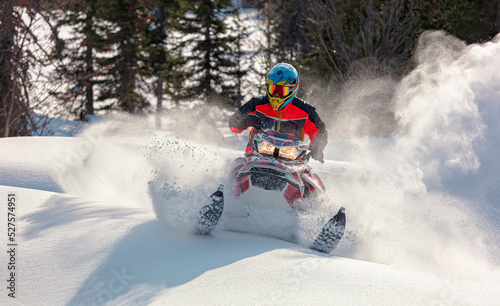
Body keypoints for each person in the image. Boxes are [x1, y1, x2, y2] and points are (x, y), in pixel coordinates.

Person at [229, 63, 328, 163]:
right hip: (255, 157)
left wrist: (317, 147)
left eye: (281, 91)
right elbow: (233, 124)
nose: (276, 95)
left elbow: (321, 132)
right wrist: (245, 121)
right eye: (273, 90)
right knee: (234, 166)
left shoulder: (305, 111)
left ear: (292, 89)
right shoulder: (256, 104)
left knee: (309, 176)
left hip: (290, 162)